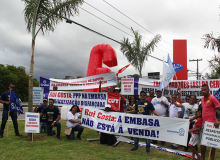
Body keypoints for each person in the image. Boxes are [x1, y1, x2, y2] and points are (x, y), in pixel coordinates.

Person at [197, 84, 220, 160]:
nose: (203, 91)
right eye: (202, 90)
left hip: (212, 124)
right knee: (203, 142)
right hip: (204, 124)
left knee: (212, 144)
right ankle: (202, 158)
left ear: (208, 90)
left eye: (205, 90)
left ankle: (212, 159)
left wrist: (219, 121)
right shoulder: (202, 99)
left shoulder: (213, 98)